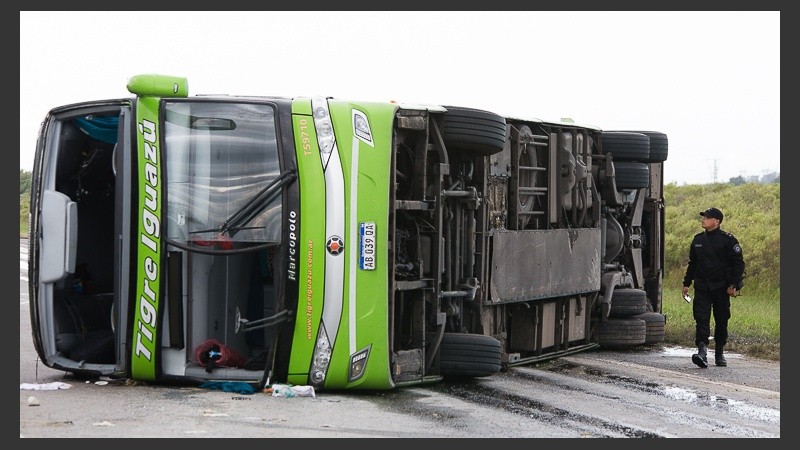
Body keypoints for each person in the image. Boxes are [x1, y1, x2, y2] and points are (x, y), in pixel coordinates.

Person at [682, 207, 746, 368]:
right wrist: (686, 283)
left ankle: (719, 352)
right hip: (702, 286)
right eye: (703, 217)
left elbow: (738, 264)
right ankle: (702, 351)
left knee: (722, 319)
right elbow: (693, 264)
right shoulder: (697, 240)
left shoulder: (728, 240)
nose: (703, 220)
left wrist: (733, 285)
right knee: (701, 318)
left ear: (716, 221)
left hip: (721, 287)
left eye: (707, 217)